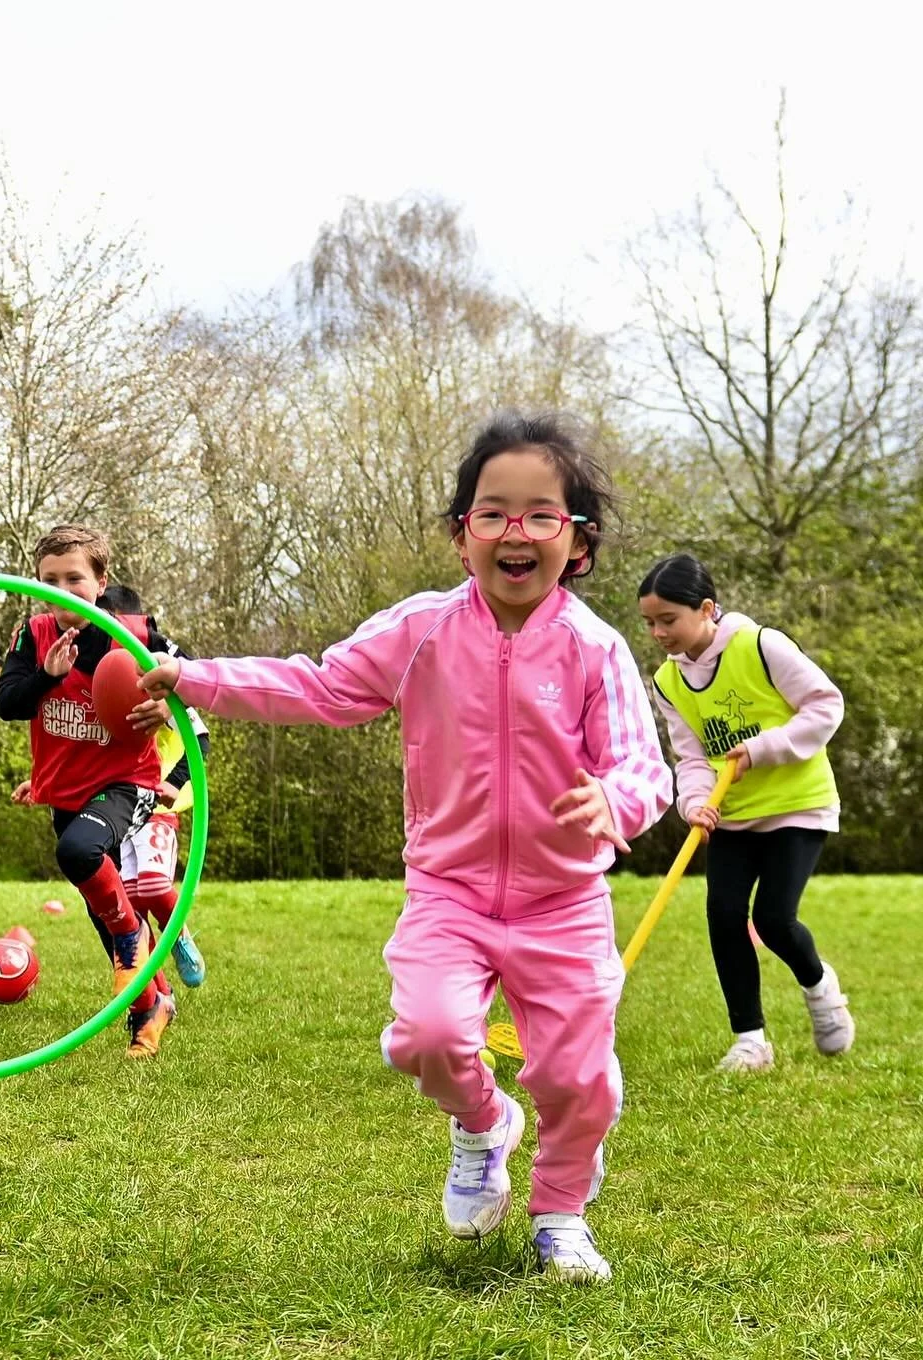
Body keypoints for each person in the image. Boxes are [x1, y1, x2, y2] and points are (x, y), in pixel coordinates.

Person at [138, 414, 672, 1283]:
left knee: (579, 1081)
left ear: (578, 540)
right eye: (491, 513)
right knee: (426, 1035)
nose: (515, 532)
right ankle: (484, 1120)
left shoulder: (595, 648)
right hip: (450, 893)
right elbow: (318, 685)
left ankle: (561, 1214)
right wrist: (196, 678)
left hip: (563, 902)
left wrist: (613, 798)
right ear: (462, 534)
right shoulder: (422, 629)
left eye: (542, 515)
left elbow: (644, 768)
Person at [637, 553, 854, 1074]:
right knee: (724, 916)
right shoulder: (668, 682)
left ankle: (819, 985)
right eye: (649, 622)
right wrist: (693, 802)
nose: (658, 632)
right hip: (730, 812)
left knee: (775, 920)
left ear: (706, 608)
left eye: (668, 619)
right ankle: (750, 1040)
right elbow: (690, 755)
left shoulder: (761, 645)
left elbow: (826, 705)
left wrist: (765, 747)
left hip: (797, 805)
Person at [0, 525, 187, 1059]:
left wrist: (168, 704)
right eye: (48, 580)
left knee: (80, 852)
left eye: (74, 579)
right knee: (102, 903)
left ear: (101, 582)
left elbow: (194, 680)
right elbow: (7, 703)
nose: (61, 590)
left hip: (128, 783)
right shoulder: (32, 635)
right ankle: (153, 1005)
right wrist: (47, 678)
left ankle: (132, 948)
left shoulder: (138, 636)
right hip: (64, 790)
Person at [99, 584, 208, 988]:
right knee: (128, 898)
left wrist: (172, 783)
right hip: (118, 802)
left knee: (153, 885)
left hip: (158, 801)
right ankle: (145, 982)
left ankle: (179, 936)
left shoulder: (157, 677)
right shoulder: (100, 677)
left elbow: (199, 739)